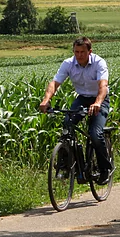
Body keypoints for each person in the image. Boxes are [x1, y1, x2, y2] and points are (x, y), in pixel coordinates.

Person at [40, 36, 112, 184]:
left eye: (82, 52)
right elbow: (55, 82)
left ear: (89, 52)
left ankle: (105, 169)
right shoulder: (68, 63)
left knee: (95, 133)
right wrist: (46, 100)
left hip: (100, 99)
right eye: (76, 52)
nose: (79, 55)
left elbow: (103, 86)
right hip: (82, 98)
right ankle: (68, 165)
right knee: (67, 125)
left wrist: (98, 103)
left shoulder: (99, 63)